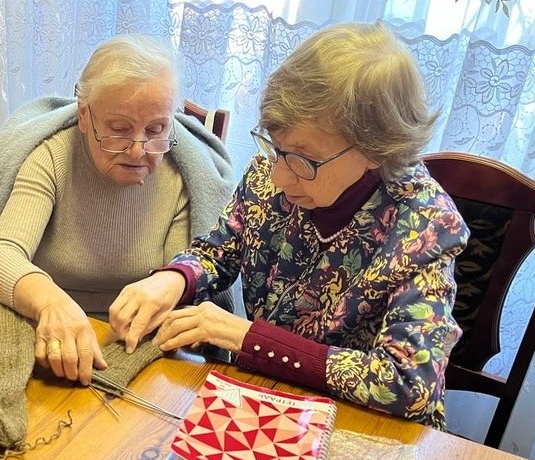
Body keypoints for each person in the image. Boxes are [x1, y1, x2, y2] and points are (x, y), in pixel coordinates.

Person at [109, 22, 467, 429]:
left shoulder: (425, 225)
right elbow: (221, 250)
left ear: (376, 150)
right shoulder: (272, 170)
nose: (279, 175)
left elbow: (408, 385)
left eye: (304, 159)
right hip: (262, 400)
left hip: (357, 431)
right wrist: (174, 280)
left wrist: (247, 338)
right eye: (276, 147)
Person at [0, 34, 234, 385]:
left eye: (156, 129)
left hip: (134, 344)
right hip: (45, 331)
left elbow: (180, 276)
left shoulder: (183, 173)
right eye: (119, 129)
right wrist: (50, 302)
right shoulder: (51, 156)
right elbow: (3, 253)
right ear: (84, 116)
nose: (138, 151)